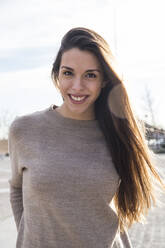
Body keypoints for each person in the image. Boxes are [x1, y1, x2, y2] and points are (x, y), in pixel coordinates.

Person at [8, 27, 165, 248]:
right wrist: (29, 238)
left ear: (104, 81)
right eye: (68, 73)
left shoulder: (119, 134)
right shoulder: (24, 130)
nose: (77, 86)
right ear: (56, 75)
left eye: (90, 75)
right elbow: (16, 188)